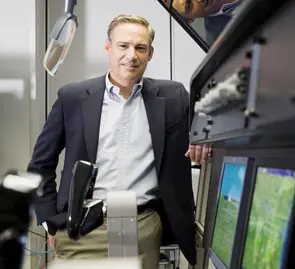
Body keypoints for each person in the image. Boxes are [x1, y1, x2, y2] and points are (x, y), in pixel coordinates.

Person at [27, 14, 210, 269]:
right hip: (82, 228)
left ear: (150, 53)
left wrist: (204, 135)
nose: (131, 55)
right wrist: (49, 220)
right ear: (108, 47)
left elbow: (212, 116)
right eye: (123, 46)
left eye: (140, 48)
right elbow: (39, 166)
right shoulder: (73, 98)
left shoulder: (174, 96)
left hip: (143, 226)